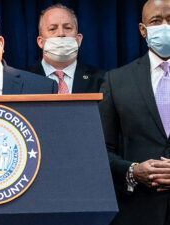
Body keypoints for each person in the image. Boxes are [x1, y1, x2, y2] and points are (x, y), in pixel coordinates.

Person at [99, 0, 170, 224]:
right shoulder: (116, 80)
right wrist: (132, 170)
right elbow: (101, 149)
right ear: (143, 30)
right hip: (139, 210)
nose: (165, 26)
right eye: (156, 21)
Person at [28, 4, 105, 94]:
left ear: (79, 40)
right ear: (40, 42)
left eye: (67, 28)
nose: (61, 33)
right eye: (52, 29)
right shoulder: (24, 79)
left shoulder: (101, 79)